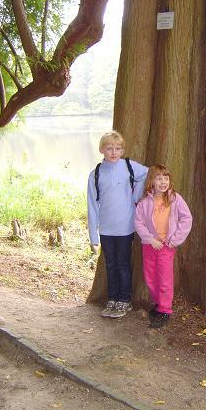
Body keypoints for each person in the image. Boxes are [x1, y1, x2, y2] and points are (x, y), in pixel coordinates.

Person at [87, 130, 148, 318]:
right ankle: (112, 298)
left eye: (118, 148)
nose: (114, 152)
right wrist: (93, 235)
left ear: (122, 150)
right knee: (110, 264)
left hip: (125, 227)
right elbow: (92, 205)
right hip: (106, 228)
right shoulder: (96, 173)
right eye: (109, 148)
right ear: (102, 150)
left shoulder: (129, 166)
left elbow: (147, 174)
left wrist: (136, 194)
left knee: (122, 263)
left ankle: (124, 300)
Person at [134, 164, 192, 328]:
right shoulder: (144, 202)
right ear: (151, 181)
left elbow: (186, 219)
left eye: (165, 179)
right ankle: (159, 304)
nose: (162, 182)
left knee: (165, 278)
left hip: (167, 246)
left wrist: (175, 240)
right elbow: (138, 223)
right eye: (159, 179)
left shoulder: (175, 199)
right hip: (150, 246)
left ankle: (165, 310)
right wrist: (149, 239)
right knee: (150, 276)